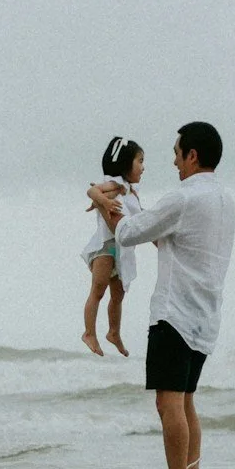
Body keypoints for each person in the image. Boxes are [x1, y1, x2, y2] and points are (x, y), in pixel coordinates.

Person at [108, 122, 235, 469]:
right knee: (186, 401)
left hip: (175, 312)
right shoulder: (225, 200)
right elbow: (171, 241)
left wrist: (107, 206)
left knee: (168, 403)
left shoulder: (183, 198)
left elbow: (130, 233)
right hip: (206, 313)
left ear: (193, 156)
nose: (174, 163)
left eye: (178, 155)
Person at [80, 137, 144, 357]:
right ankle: (89, 333)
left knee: (118, 294)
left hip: (122, 251)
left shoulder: (130, 191)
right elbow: (92, 191)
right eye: (140, 161)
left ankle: (113, 332)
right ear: (126, 163)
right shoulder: (115, 184)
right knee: (98, 290)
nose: (143, 167)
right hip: (106, 246)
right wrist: (104, 202)